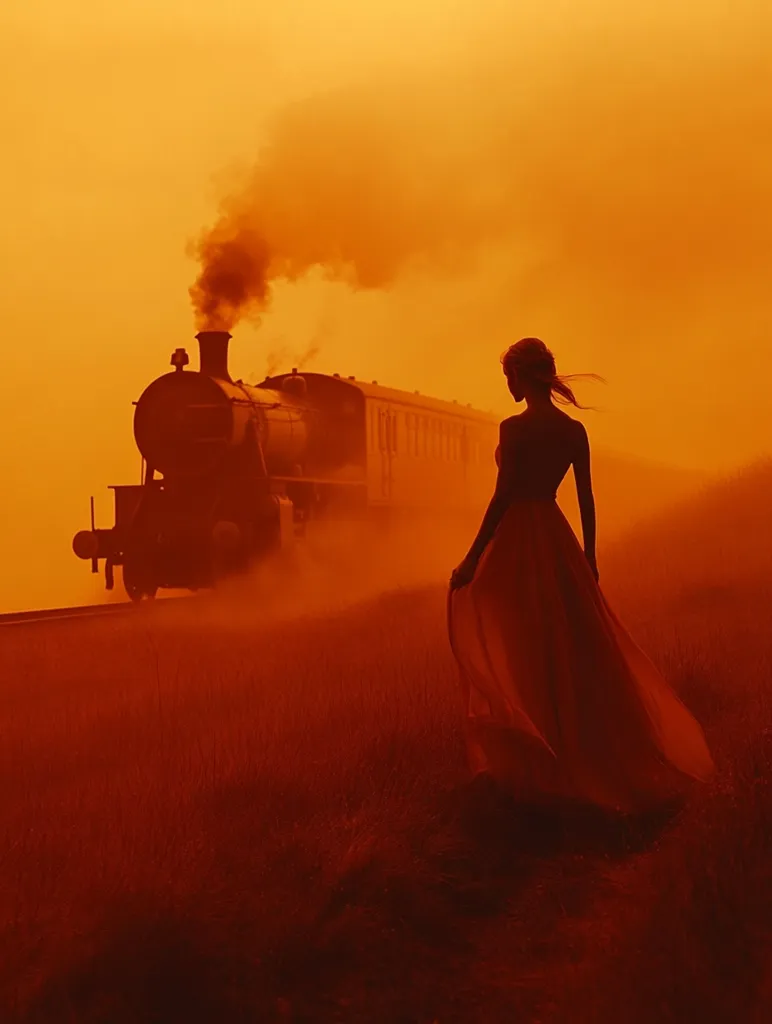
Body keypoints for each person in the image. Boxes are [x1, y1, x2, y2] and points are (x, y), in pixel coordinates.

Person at [448, 338, 714, 813]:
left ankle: (544, 759)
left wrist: (472, 558)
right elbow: (586, 498)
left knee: (524, 640)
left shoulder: (513, 428)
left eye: (508, 376)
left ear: (522, 376)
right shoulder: (573, 430)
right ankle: (579, 748)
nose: (507, 385)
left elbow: (503, 496)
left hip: (518, 537)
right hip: (557, 537)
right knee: (570, 643)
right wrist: (588, 556)